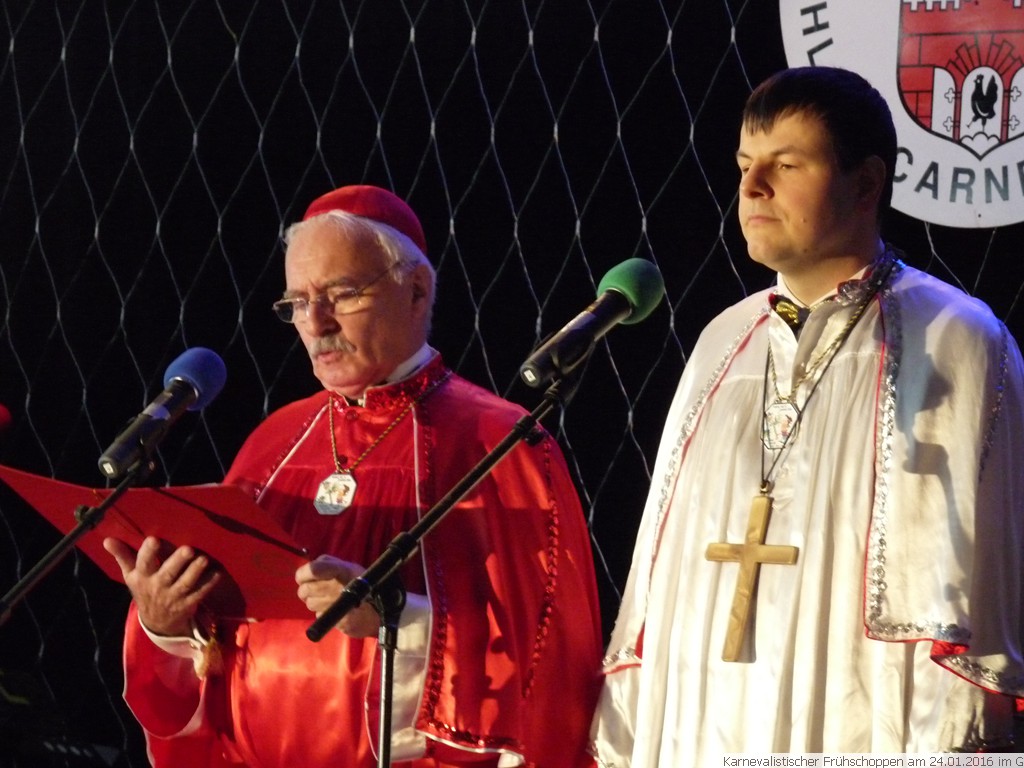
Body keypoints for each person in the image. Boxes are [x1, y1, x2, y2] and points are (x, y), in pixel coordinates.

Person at [590, 66, 1024, 764]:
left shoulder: (955, 338)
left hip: (856, 714)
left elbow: (978, 584)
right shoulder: (722, 342)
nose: (752, 187)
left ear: (865, 184)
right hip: (709, 714)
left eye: (786, 164)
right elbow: (658, 568)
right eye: (744, 164)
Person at [102, 184, 603, 768]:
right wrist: (164, 621)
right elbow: (217, 637)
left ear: (416, 290)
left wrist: (394, 617)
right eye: (297, 302)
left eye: (341, 294)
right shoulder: (273, 442)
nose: (316, 323)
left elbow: (545, 660)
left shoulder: (500, 440)